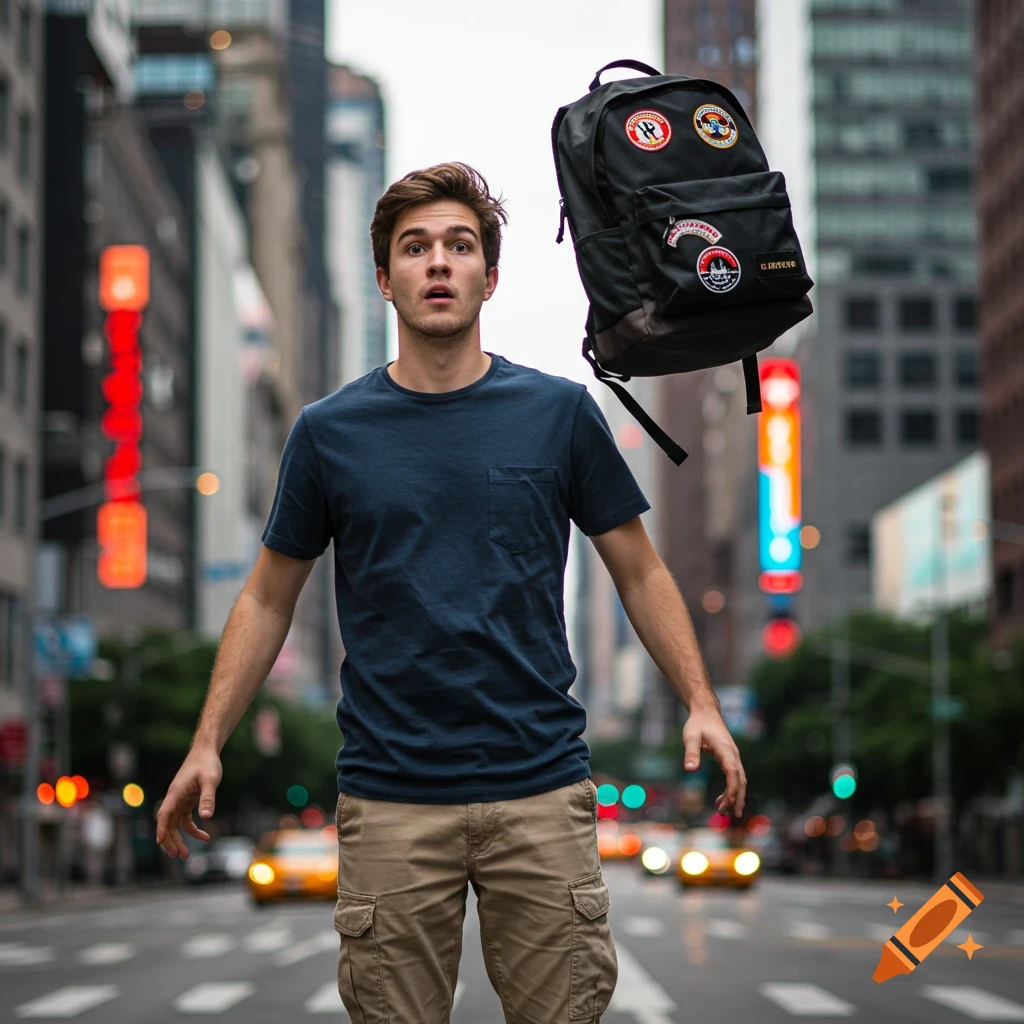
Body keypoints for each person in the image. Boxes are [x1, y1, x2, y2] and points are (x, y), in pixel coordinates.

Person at [155, 162, 747, 1023]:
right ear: (385, 279)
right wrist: (209, 739)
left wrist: (700, 700)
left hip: (540, 788)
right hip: (389, 795)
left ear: (490, 277)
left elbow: (640, 568)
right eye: (416, 247)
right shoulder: (328, 433)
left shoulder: (560, 414)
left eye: (460, 246)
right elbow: (266, 597)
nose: (439, 263)